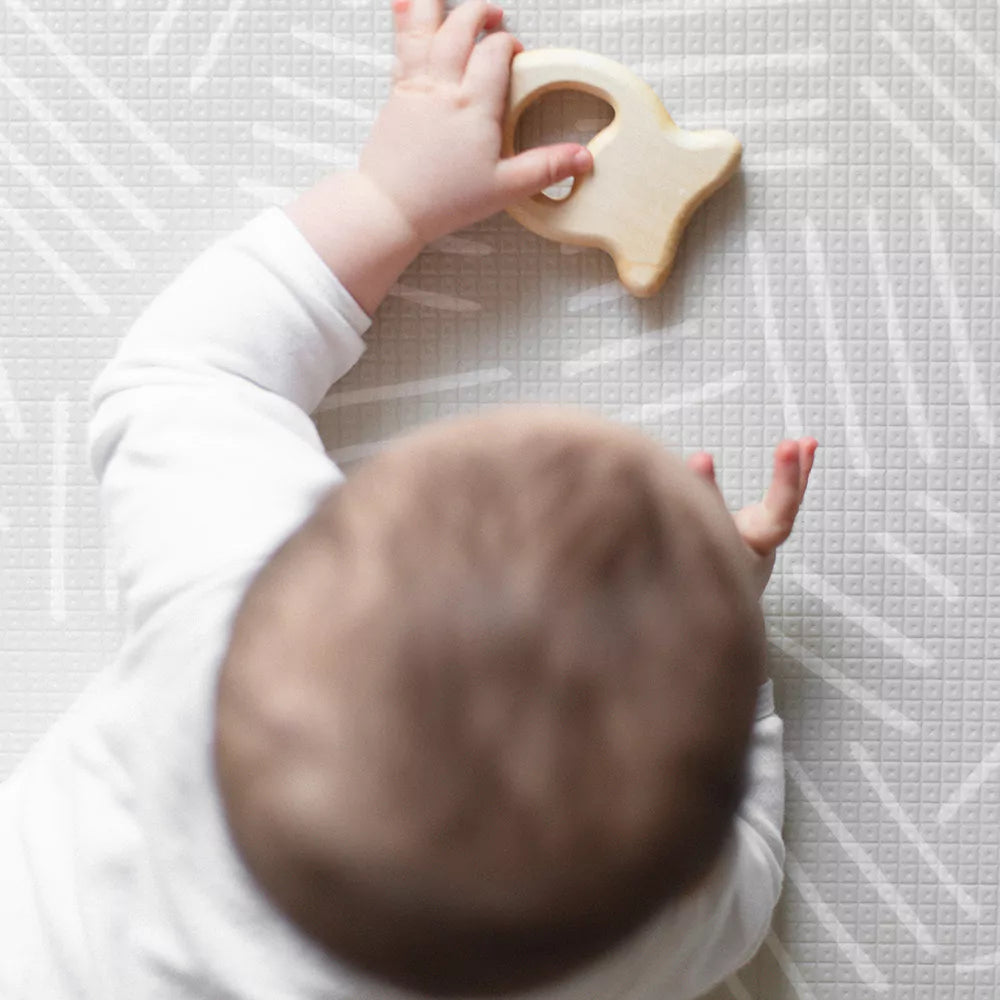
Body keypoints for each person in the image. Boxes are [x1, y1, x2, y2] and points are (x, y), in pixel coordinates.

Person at [0, 2, 817, 997]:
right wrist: (722, 627)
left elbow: (186, 373)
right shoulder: (627, 945)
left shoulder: (227, 594)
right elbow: (748, 887)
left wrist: (388, 202)